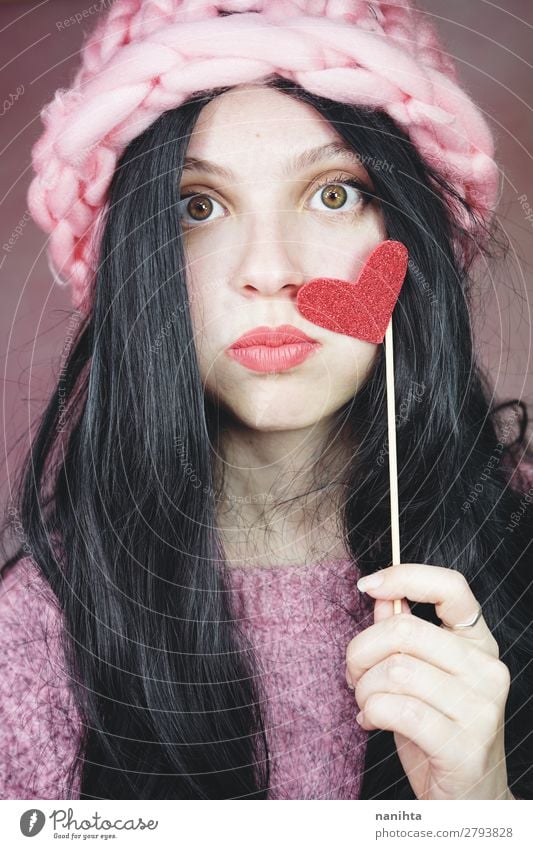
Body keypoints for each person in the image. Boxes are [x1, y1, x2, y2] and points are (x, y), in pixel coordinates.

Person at [1, 0, 533, 801]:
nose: (270, 270)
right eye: (198, 206)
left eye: (332, 194)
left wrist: (480, 811)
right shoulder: (30, 639)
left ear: (409, 234)